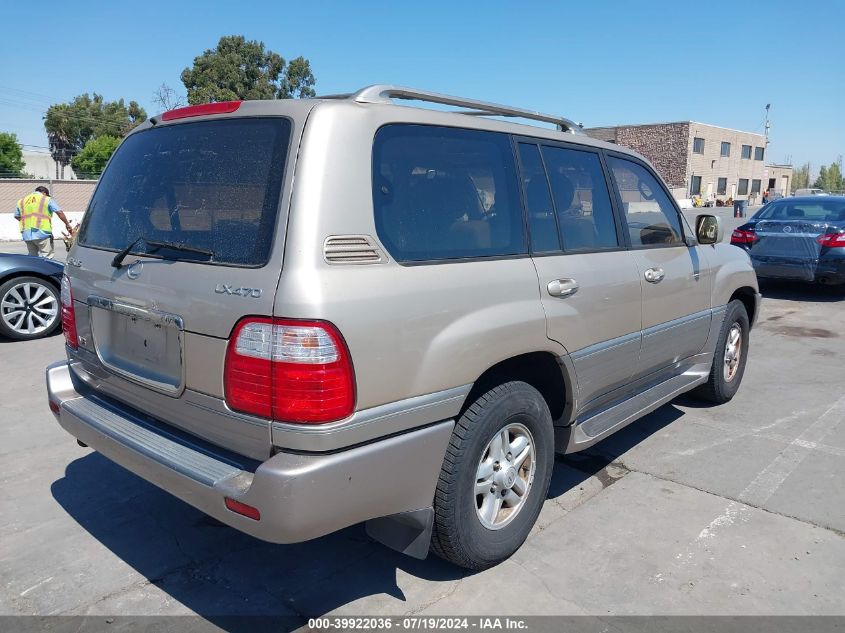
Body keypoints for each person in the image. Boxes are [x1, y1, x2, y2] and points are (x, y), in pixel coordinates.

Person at [14, 186, 73, 259]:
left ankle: (33, 270)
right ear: (44, 193)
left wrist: (27, 222)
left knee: (32, 257)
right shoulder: (46, 199)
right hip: (42, 232)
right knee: (47, 256)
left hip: (27, 233)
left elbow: (17, 216)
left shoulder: (21, 201)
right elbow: (59, 212)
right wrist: (67, 224)